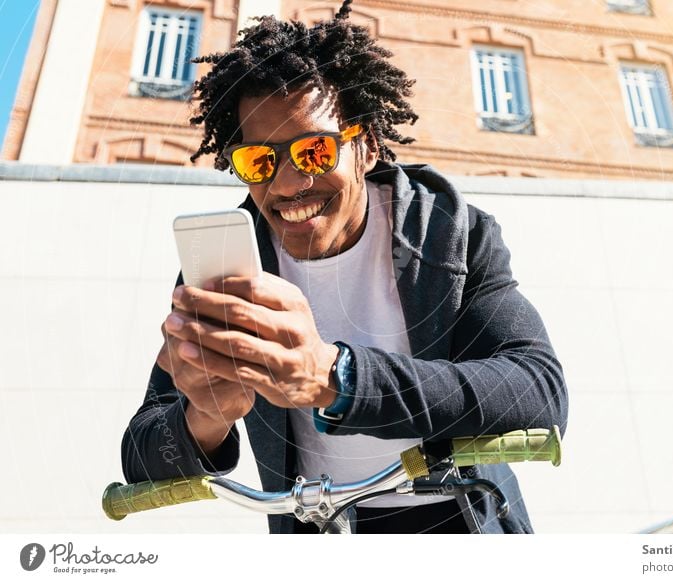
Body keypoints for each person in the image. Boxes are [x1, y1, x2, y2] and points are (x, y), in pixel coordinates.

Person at [121, 0, 568, 534]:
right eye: (259, 161)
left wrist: (336, 378)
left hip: (461, 520)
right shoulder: (226, 267)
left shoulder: (453, 233)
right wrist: (206, 417)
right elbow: (139, 458)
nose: (285, 186)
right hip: (316, 533)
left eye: (313, 152)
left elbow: (537, 391)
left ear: (369, 146)